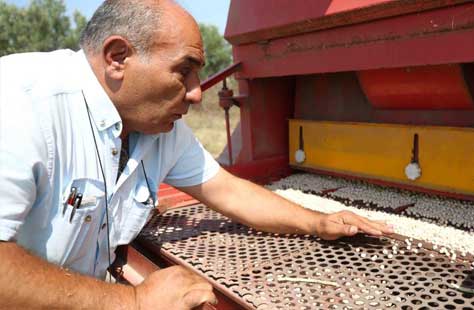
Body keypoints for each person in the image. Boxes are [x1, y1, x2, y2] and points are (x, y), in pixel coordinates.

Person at [0, 0, 392, 308]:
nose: (196, 92)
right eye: (183, 71)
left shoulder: (156, 127)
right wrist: (132, 302)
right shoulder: (21, 103)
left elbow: (226, 190)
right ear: (118, 57)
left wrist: (318, 224)